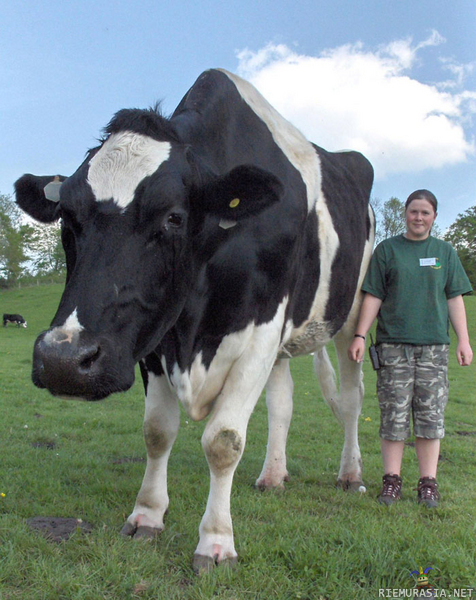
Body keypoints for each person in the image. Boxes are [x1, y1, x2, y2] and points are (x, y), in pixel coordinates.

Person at [348, 189, 473, 507]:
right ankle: (391, 482)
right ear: (406, 213)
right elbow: (373, 296)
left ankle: (427, 483)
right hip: (393, 349)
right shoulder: (388, 250)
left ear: (434, 217)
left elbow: (454, 298)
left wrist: (464, 340)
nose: (418, 217)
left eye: (425, 213)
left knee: (430, 418)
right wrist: (361, 335)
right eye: (413, 211)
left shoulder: (444, 252)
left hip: (433, 350)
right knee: (393, 417)